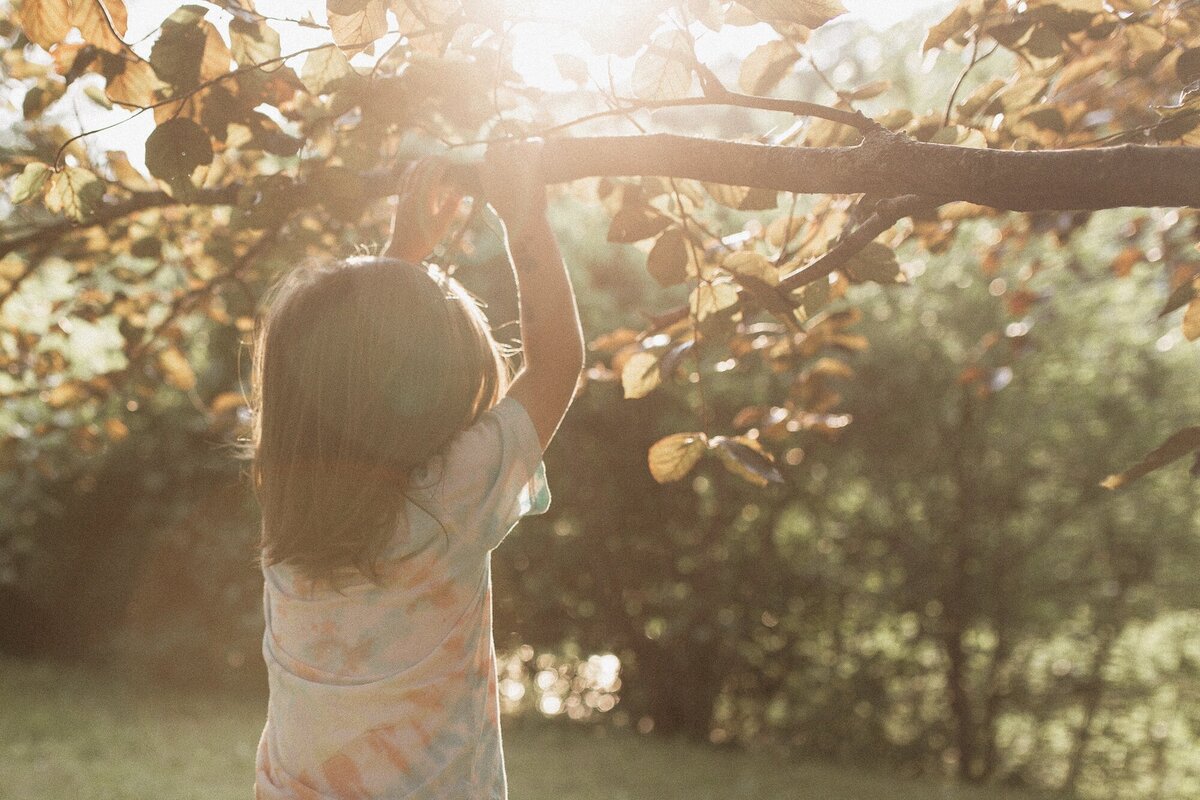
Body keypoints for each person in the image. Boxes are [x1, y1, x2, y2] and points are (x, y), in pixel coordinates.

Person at [250, 140, 584, 799]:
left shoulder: (288, 509)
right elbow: (556, 366)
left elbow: (338, 384)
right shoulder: (446, 501)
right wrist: (523, 217)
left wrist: (400, 254)